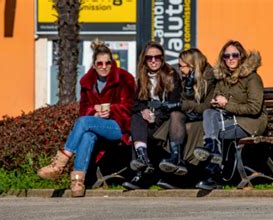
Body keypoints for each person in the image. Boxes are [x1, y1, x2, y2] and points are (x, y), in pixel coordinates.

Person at [37, 40, 136, 197]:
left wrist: (111, 109)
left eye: (108, 63)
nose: (104, 67)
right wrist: (95, 114)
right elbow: (84, 109)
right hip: (97, 126)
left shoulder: (125, 78)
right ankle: (77, 182)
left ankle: (59, 164)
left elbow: (131, 107)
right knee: (88, 135)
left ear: (112, 63)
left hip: (121, 126)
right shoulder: (87, 82)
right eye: (100, 63)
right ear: (94, 65)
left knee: (83, 122)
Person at [194, 40, 267, 190]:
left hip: (249, 123)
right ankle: (213, 151)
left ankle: (212, 174)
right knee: (208, 113)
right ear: (223, 59)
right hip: (228, 120)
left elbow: (254, 109)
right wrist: (215, 102)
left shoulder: (252, 78)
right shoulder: (223, 79)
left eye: (235, 55)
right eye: (227, 56)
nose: (231, 59)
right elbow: (216, 99)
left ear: (242, 56)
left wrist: (226, 104)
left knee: (210, 131)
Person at [122, 41, 182, 190]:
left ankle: (141, 173)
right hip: (149, 121)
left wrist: (156, 116)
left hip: (166, 121)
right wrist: (144, 110)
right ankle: (143, 161)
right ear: (144, 59)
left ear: (162, 59)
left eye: (157, 57)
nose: (154, 61)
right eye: (149, 58)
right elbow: (136, 103)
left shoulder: (171, 76)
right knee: (137, 118)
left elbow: (174, 104)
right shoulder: (142, 77)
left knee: (138, 130)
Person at [154, 48, 216, 178]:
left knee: (185, 124)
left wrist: (182, 104)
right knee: (175, 115)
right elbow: (185, 104)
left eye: (181, 66)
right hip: (192, 114)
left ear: (192, 66)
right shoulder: (187, 78)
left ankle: (187, 172)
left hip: (206, 118)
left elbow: (206, 107)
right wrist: (188, 90)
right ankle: (176, 158)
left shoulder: (210, 78)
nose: (180, 69)